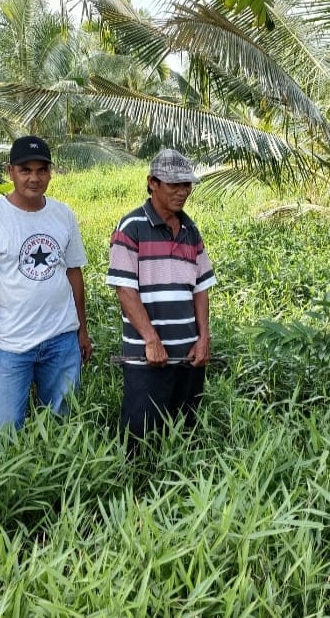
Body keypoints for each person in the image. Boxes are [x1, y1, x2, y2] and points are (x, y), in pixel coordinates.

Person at [0, 135, 92, 433]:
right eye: (25, 170)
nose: (34, 178)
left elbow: (74, 274)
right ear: (10, 172)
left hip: (62, 339)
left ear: (50, 172)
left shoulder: (63, 214)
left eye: (41, 170)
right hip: (10, 345)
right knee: (2, 434)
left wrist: (82, 331)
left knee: (63, 427)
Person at [107, 149, 217, 453]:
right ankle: (136, 491)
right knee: (140, 437)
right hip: (147, 358)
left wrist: (203, 338)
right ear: (152, 183)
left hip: (189, 356)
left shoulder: (191, 231)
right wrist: (151, 340)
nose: (182, 192)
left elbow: (201, 288)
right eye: (173, 185)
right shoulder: (132, 227)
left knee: (185, 431)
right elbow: (125, 289)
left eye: (187, 185)